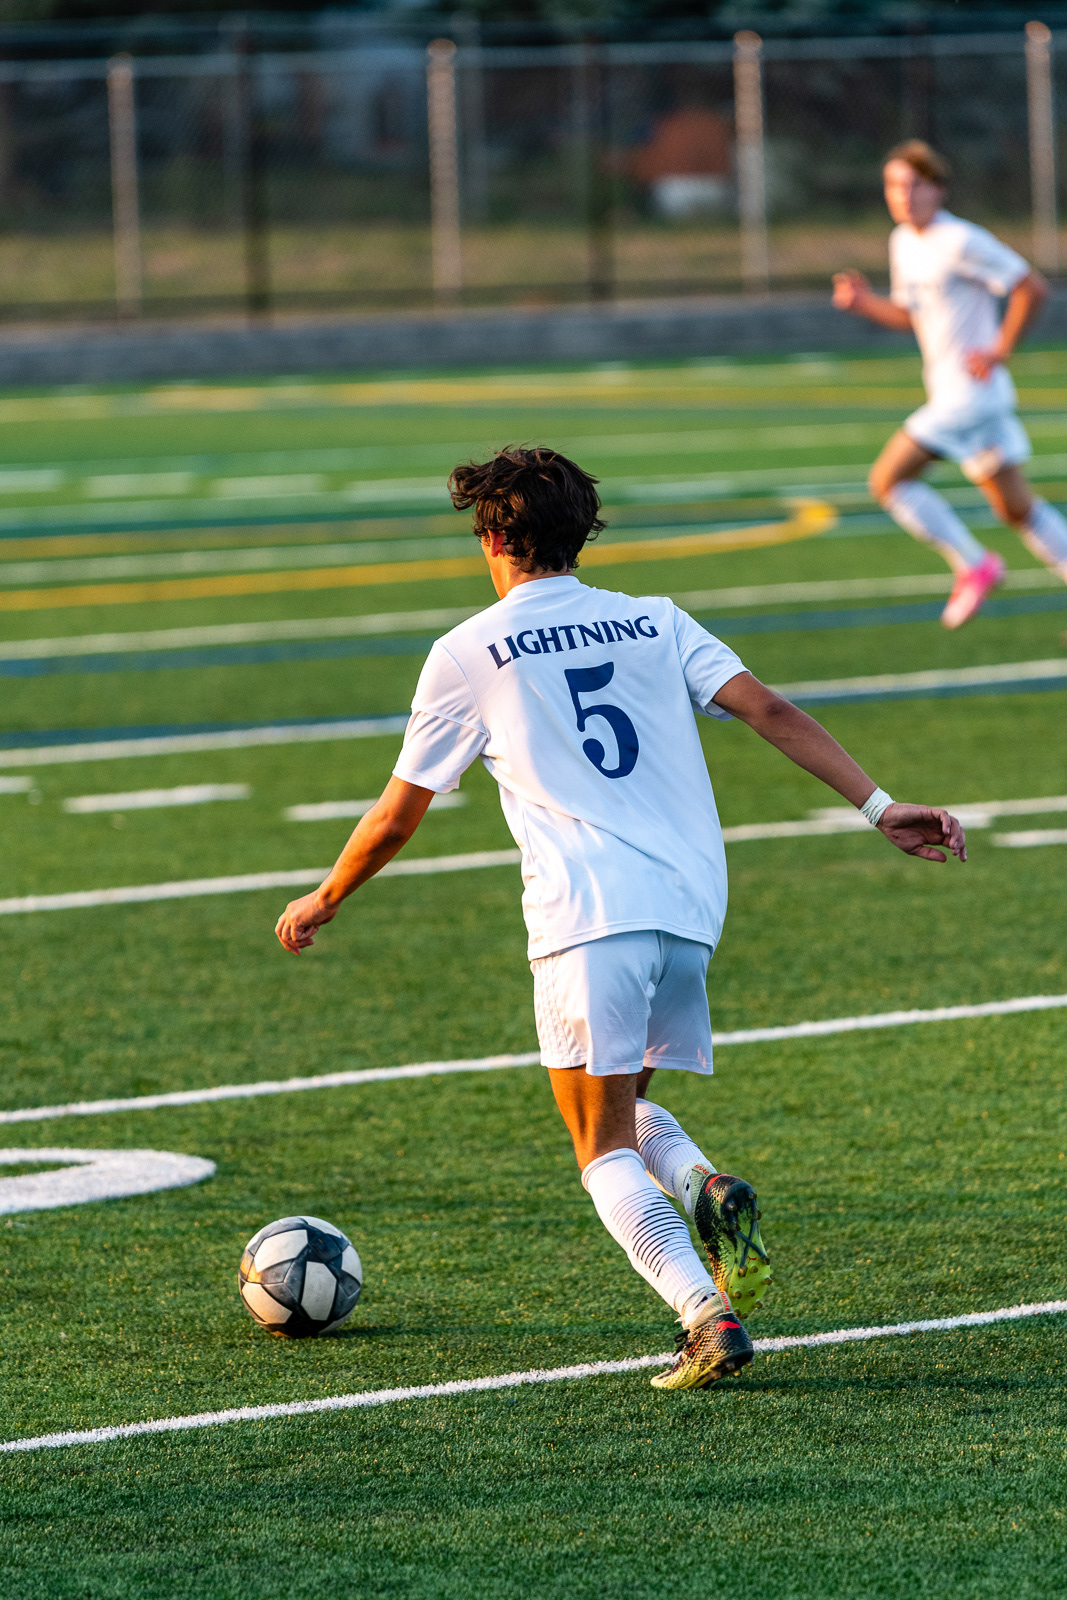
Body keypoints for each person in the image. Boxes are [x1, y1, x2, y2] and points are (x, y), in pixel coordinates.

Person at [275, 448, 966, 1391]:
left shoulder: (467, 651)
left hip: (587, 916)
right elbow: (765, 708)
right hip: (689, 911)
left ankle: (704, 1315)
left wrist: (325, 896)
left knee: (597, 1148)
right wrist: (878, 805)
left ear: (491, 539)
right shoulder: (656, 619)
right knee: (624, 1104)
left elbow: (399, 812)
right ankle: (702, 1185)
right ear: (581, 533)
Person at [833, 139, 1067, 628]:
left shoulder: (961, 239)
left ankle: (974, 564)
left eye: (915, 185)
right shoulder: (903, 242)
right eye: (894, 186)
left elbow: (1031, 287)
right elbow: (911, 315)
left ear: (938, 189)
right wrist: (865, 304)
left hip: (970, 397)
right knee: (1017, 509)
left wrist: (1000, 349)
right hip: (963, 396)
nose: (904, 195)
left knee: (888, 481)